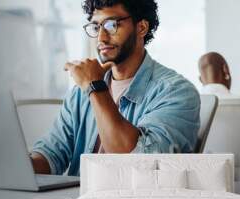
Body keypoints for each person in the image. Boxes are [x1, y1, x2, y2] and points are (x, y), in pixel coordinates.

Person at [30, 0, 200, 175]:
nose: (101, 38)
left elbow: (139, 164)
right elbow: (51, 154)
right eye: (96, 27)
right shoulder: (80, 94)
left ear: (141, 27)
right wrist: (20, 165)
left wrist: (95, 88)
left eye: (112, 25)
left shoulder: (176, 92)